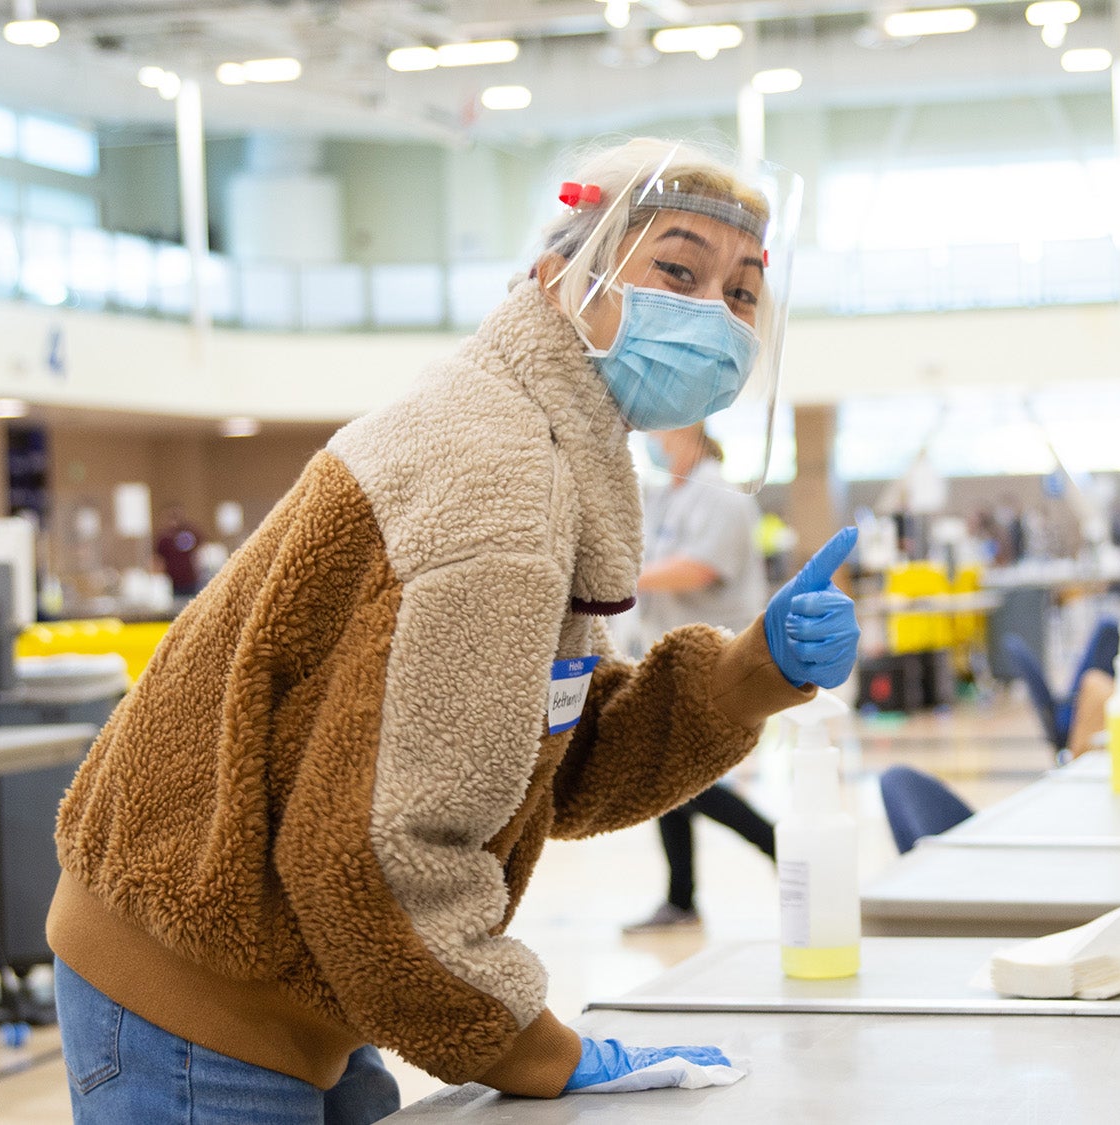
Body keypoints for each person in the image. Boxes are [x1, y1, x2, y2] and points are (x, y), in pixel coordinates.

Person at [47, 138, 861, 1123]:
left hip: (291, 968)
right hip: (201, 992)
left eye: (739, 293)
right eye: (676, 271)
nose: (711, 316)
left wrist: (742, 677)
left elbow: (541, 757)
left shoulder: (542, 444)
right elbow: (383, 847)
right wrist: (528, 1047)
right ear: (564, 276)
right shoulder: (496, 475)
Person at [622, 424, 781, 933]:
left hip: (714, 657)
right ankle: (682, 897)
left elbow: (698, 569)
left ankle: (782, 848)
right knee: (668, 777)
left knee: (680, 778)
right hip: (669, 655)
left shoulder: (722, 497)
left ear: (689, 429)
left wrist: (624, 578)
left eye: (661, 431)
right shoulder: (672, 495)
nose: (654, 439)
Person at [152, 504, 204, 596]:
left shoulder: (190, 533)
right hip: (173, 582)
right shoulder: (163, 539)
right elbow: (159, 561)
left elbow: (200, 550)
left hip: (190, 579)